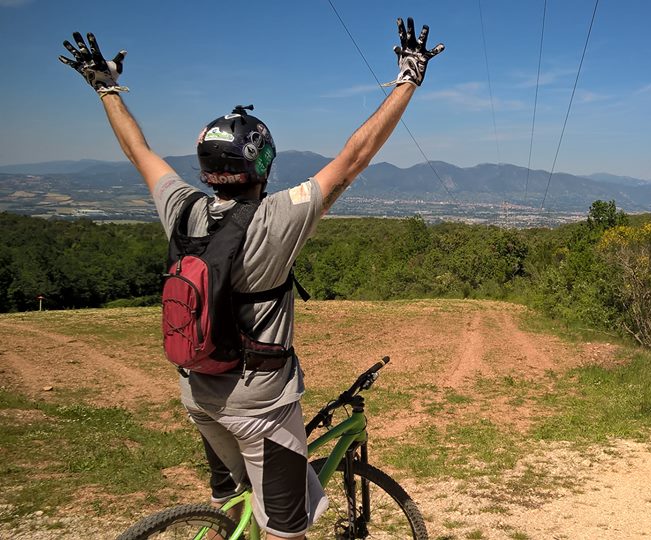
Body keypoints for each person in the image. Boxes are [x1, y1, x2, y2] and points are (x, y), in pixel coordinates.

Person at [58, 18, 443, 540]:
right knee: (287, 532)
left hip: (197, 390)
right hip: (260, 403)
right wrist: (409, 78)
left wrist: (106, 89)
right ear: (261, 163)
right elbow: (355, 158)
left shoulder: (181, 209)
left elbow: (139, 153)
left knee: (235, 508)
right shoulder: (276, 219)